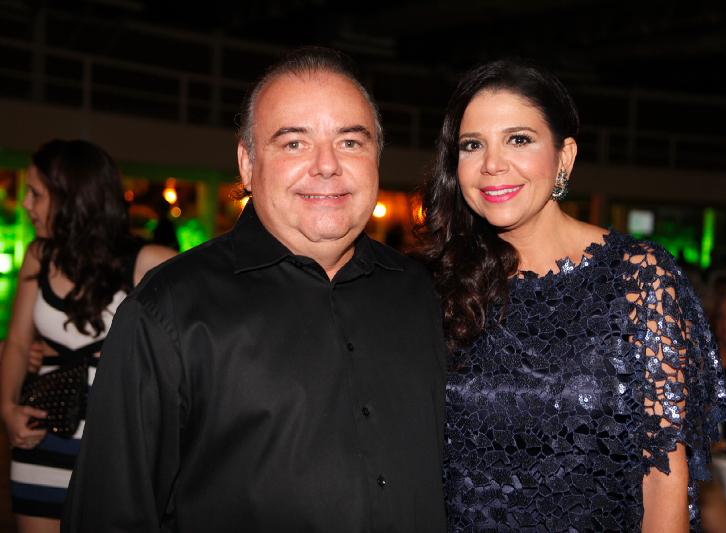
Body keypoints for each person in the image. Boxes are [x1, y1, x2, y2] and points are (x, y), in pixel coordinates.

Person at [63, 47, 447, 532]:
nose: (327, 165)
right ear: (247, 163)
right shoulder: (169, 311)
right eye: (294, 143)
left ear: (377, 158)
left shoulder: (423, 293)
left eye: (351, 142)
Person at [416, 59, 726, 532]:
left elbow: (663, 480)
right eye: (472, 145)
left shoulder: (639, 279)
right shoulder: (436, 284)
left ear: (564, 157)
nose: (492, 164)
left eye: (518, 139)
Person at [0, 139, 176, 533]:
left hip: (116, 444)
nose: (25, 204)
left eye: (36, 194)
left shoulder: (146, 261)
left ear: (72, 199)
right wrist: (8, 410)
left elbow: (210, 311)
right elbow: (17, 343)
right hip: (42, 435)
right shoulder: (38, 256)